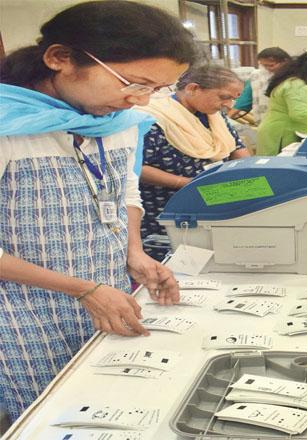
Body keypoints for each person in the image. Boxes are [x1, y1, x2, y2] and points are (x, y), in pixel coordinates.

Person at [0, 1, 197, 422]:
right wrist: (82, 289)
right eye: (133, 83)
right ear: (60, 59)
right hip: (24, 315)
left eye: (155, 90)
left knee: (112, 407)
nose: (139, 99)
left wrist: (134, 252)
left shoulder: (118, 120)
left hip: (106, 288)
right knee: (51, 417)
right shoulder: (7, 126)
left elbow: (125, 191)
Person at [136, 63, 251, 261]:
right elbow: (137, 168)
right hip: (168, 206)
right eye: (225, 97)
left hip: (212, 197)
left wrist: (252, 175)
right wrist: (187, 184)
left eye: (234, 98)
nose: (230, 105)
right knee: (177, 264)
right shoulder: (154, 119)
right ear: (193, 89)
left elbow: (235, 147)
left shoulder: (215, 117)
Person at [229, 47, 291, 124]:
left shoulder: (294, 78)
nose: (267, 69)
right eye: (264, 65)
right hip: (265, 121)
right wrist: (227, 119)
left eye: (271, 65)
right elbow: (244, 100)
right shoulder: (257, 76)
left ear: (285, 62)